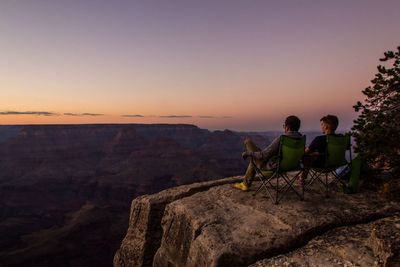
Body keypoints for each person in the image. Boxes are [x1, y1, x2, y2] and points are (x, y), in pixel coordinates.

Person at [234, 115, 302, 191]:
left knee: (248, 142)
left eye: (284, 126)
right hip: (292, 166)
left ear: (288, 127)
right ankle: (245, 184)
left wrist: (248, 153)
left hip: (274, 167)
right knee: (256, 155)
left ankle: (245, 184)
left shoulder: (283, 139)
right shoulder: (301, 139)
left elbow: (264, 155)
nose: (284, 128)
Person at [300, 114, 342, 181]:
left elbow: (306, 152)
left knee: (306, 156)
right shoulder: (341, 138)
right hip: (337, 164)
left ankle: (302, 178)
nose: (321, 127)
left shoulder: (319, 139)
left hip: (322, 165)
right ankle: (302, 177)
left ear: (326, 126)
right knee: (315, 154)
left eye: (322, 124)